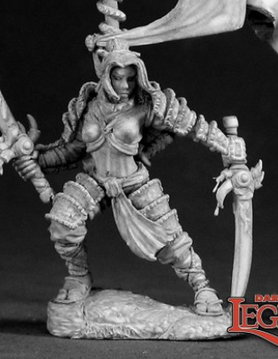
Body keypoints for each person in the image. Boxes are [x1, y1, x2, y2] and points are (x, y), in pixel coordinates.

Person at [14, 41, 246, 316]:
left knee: (171, 239)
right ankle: (77, 276)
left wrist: (227, 146)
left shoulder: (147, 106)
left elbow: (192, 124)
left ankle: (202, 286)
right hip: (96, 180)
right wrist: (37, 159)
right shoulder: (88, 107)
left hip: (133, 182)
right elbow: (73, 149)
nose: (125, 85)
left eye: (131, 79)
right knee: (62, 221)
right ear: (106, 76)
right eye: (118, 78)